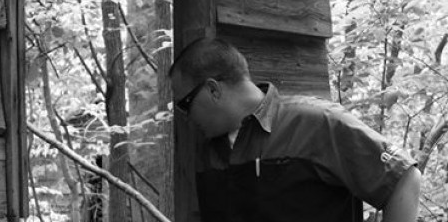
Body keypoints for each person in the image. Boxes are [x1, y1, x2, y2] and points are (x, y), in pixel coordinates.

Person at [169, 37, 421, 222]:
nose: (186, 118)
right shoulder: (208, 152)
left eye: (185, 105)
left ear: (213, 90)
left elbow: (403, 178)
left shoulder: (315, 123)